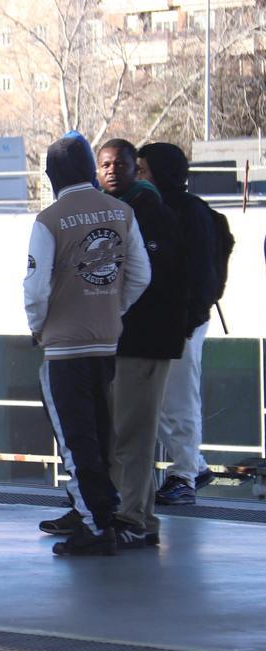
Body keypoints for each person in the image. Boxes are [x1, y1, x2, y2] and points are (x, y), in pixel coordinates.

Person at [26, 132, 150, 556]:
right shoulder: (122, 212)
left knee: (74, 441)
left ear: (52, 174)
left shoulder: (49, 220)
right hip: (106, 343)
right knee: (99, 434)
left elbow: (35, 288)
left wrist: (38, 327)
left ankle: (96, 526)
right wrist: (113, 310)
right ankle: (100, 514)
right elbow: (140, 275)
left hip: (63, 349)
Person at [98, 138, 188, 547]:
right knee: (117, 434)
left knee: (134, 436)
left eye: (120, 163)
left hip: (144, 341)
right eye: (105, 164)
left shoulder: (151, 212)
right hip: (117, 341)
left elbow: (148, 278)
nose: (112, 170)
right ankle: (123, 513)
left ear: (138, 168)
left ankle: (135, 518)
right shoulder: (108, 212)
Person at [137, 143, 220, 506]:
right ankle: (192, 466)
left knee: (178, 399)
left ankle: (185, 474)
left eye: (142, 168)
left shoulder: (189, 213)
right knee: (159, 401)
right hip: (161, 321)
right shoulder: (159, 207)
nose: (138, 175)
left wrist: (188, 318)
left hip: (182, 322)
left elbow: (203, 274)